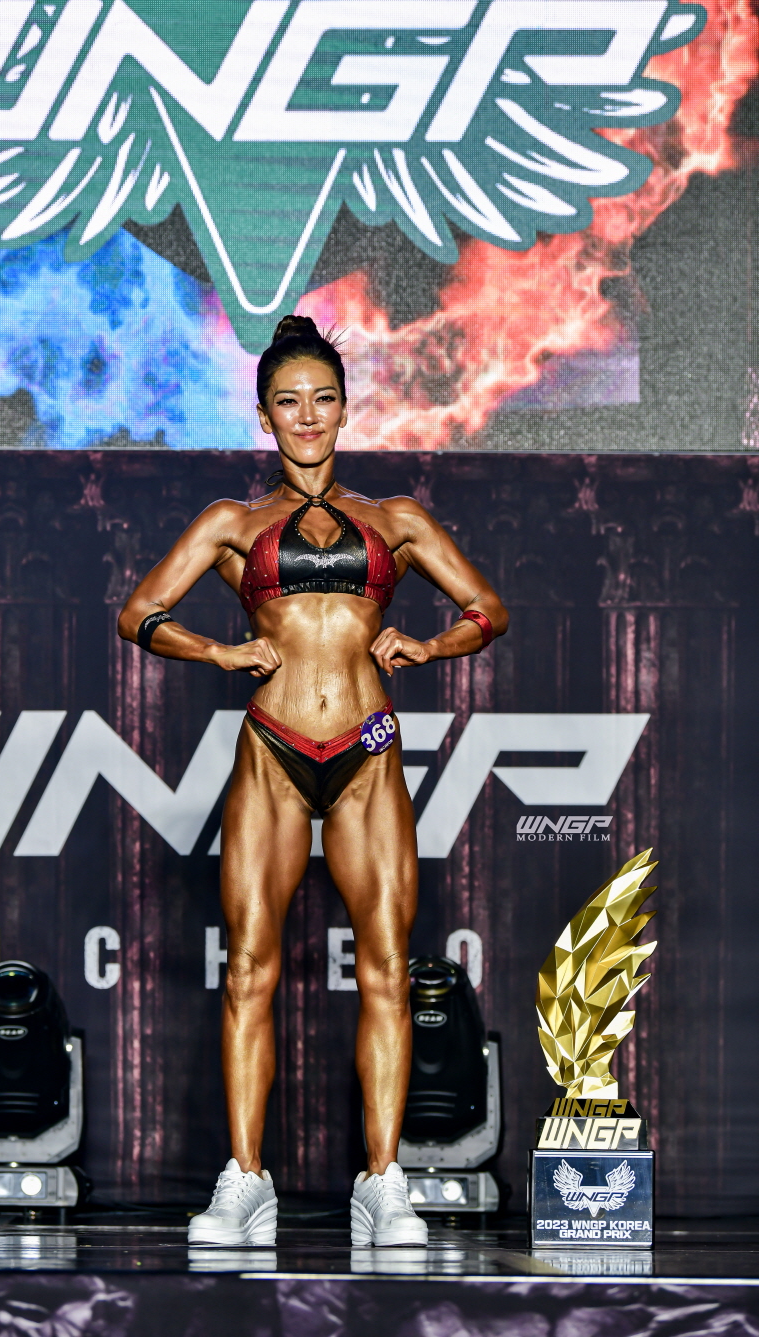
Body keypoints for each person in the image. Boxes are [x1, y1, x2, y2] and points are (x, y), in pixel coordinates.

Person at [117, 315, 508, 1247]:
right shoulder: (232, 524)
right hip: (274, 750)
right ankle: (247, 1182)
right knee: (250, 968)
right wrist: (217, 652)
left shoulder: (396, 520)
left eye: (322, 399)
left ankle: (384, 1182)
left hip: (367, 750)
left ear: (343, 410)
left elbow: (488, 608)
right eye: (288, 402)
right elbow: (139, 612)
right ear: (263, 416)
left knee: (387, 967)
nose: (306, 416)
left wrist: (432, 644)